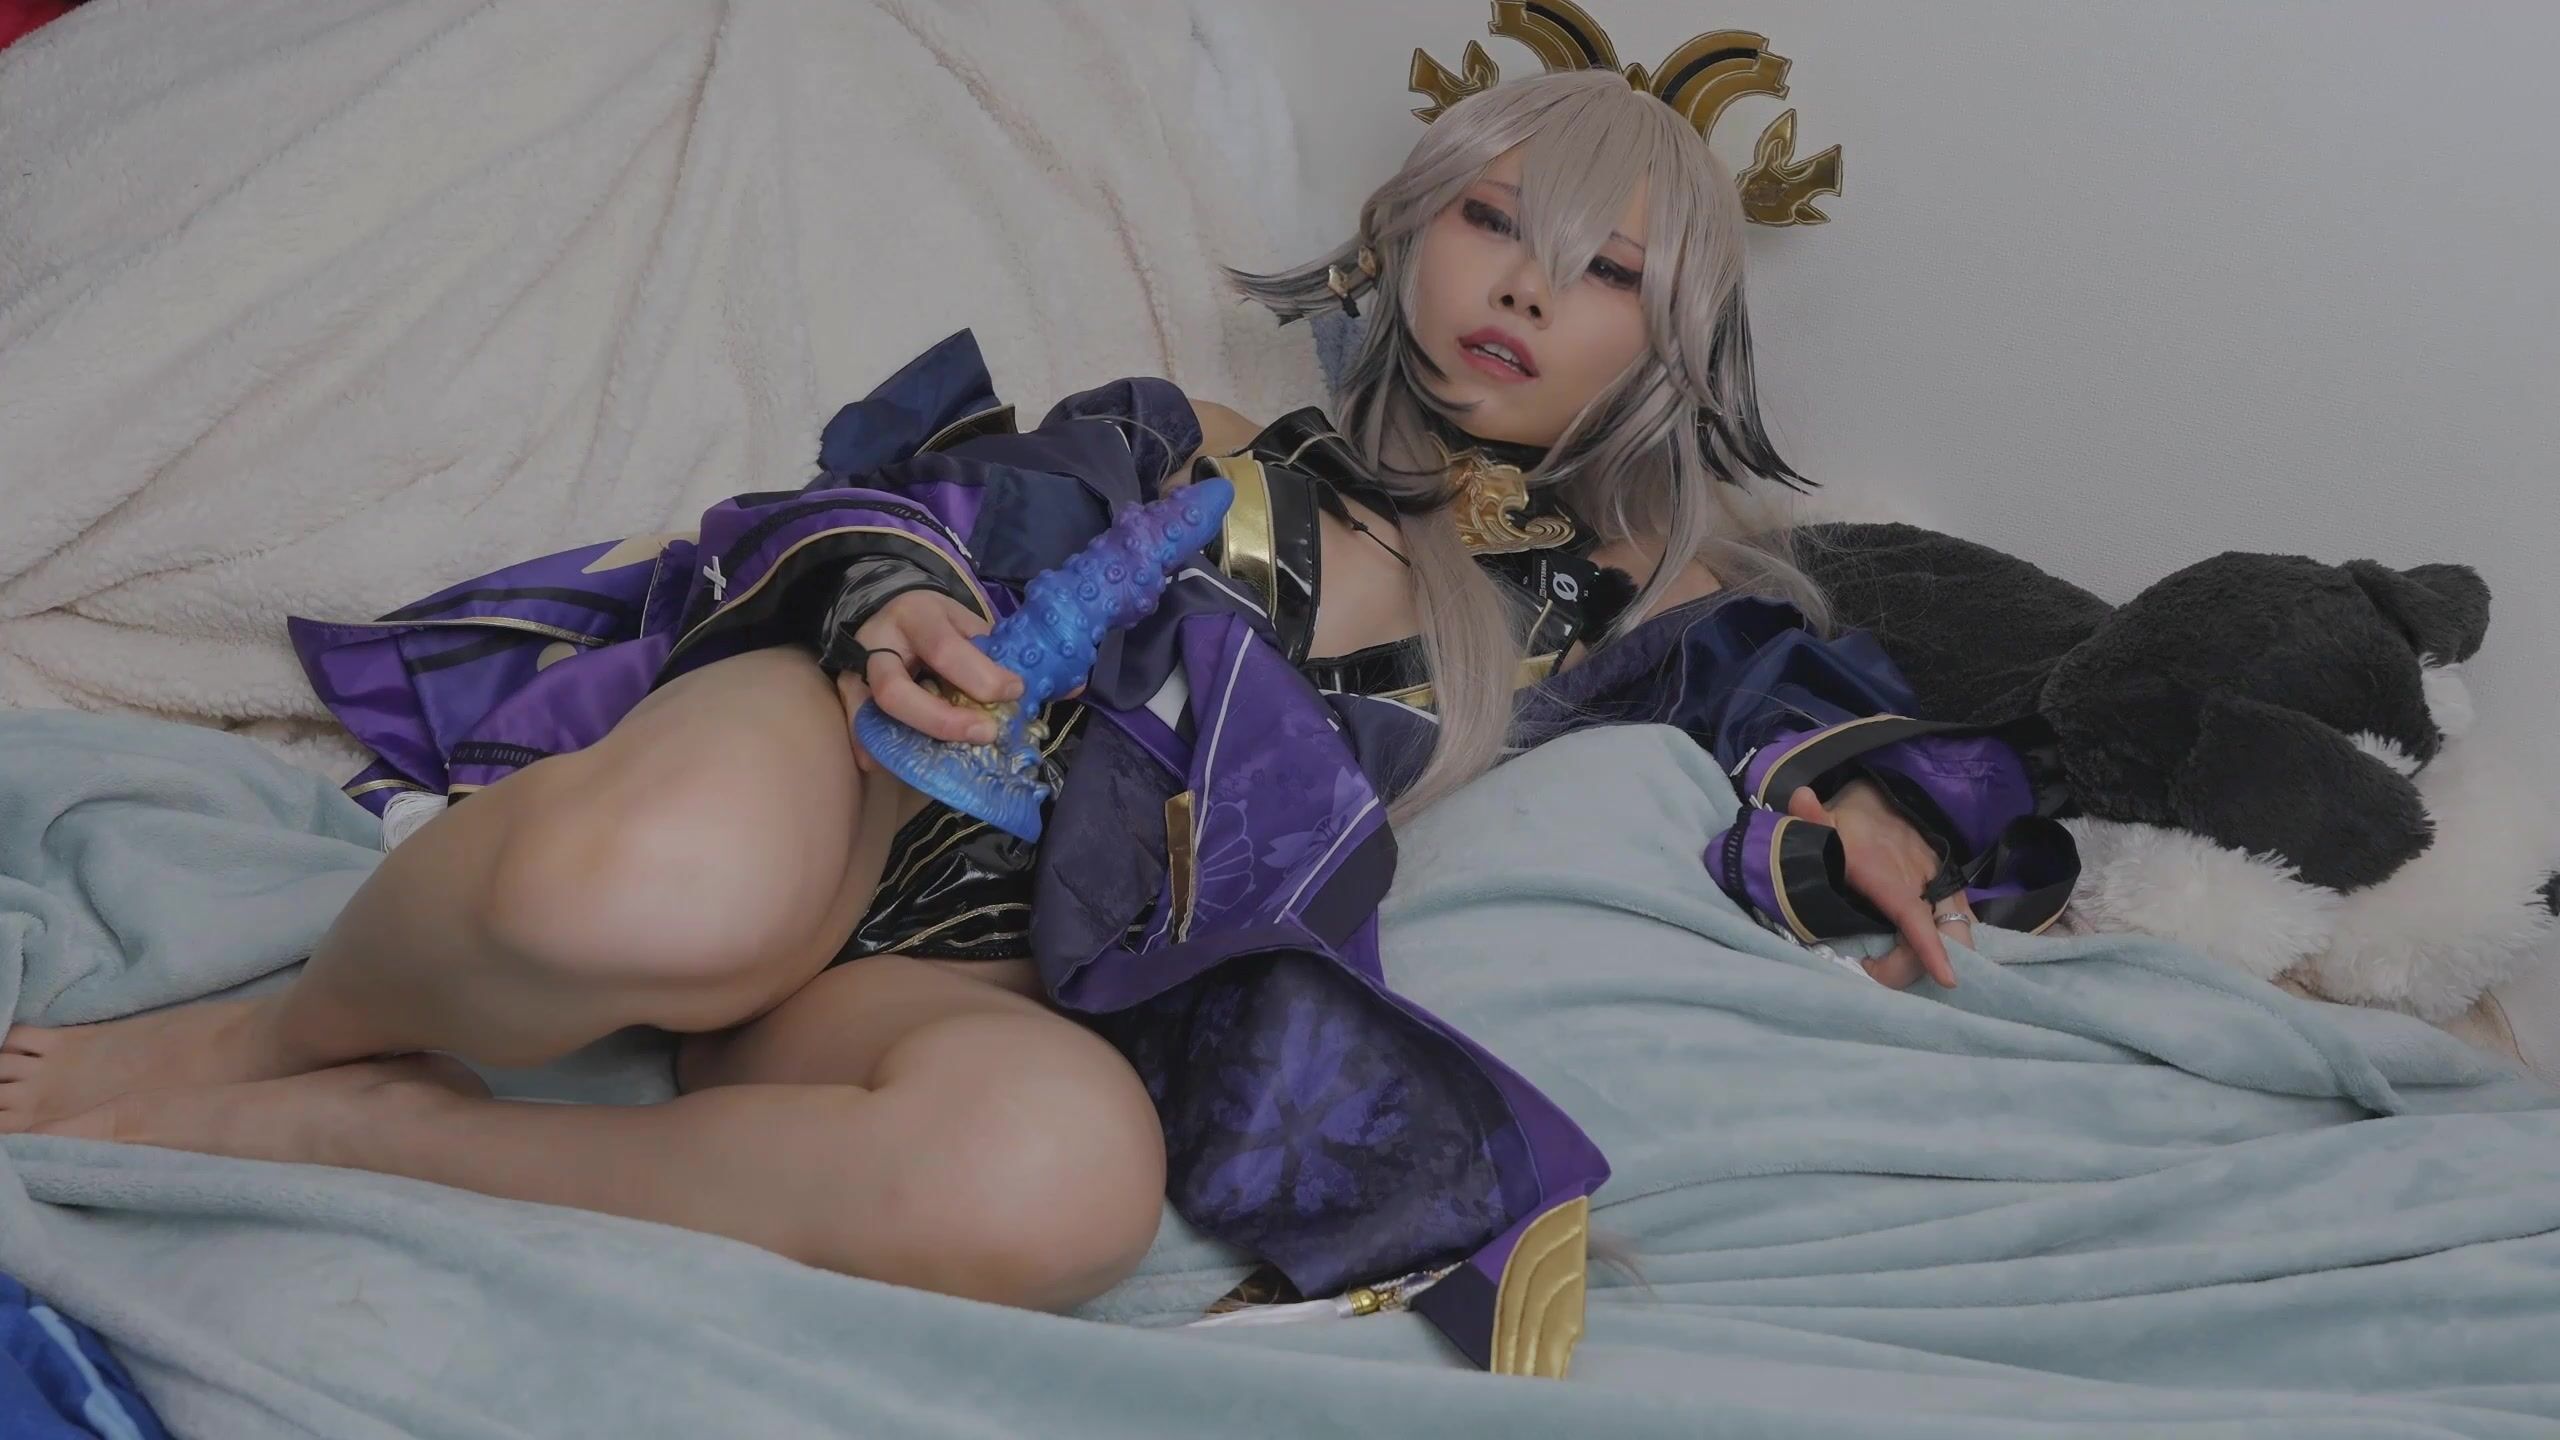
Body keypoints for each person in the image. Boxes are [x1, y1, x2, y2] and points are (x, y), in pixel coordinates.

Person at [0, 71, 2070, 1370]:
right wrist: (900, 601)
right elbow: (911, 508)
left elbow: (1787, 693)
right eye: (1489, 221)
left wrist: (1864, 798)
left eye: (1600, 268)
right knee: (670, 892)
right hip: (840, 771)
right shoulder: (1201, 435)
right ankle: (260, 1044)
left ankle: (380, 1134)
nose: (1521, 287)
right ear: (1403, 229)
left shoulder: (1611, 620)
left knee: (1061, 1189)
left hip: (986, 975)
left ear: (1669, 345)